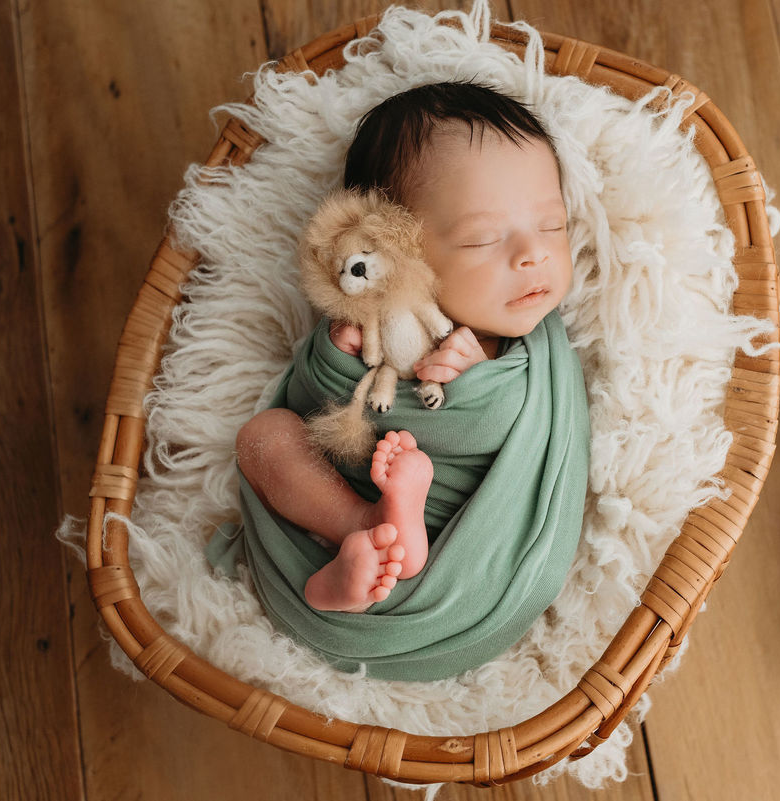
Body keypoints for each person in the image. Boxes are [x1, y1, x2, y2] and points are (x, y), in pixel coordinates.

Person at [232, 82, 575, 614]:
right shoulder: (368, 315)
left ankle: (366, 558)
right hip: (333, 498)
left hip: (457, 535)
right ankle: (361, 528)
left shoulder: (533, 351)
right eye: (483, 238)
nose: (534, 253)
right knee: (263, 436)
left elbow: (502, 428)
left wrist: (478, 376)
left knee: (271, 438)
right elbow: (309, 401)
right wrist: (336, 356)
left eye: (553, 226)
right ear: (395, 246)